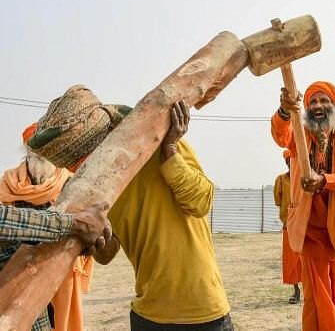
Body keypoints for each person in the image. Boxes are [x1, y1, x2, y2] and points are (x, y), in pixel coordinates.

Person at [28, 85, 232, 331]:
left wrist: (171, 154)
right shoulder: (93, 185)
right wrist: (91, 236)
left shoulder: (161, 141)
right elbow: (107, 253)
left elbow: (201, 202)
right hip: (147, 314)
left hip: (201, 311)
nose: (82, 164)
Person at [272, 81, 335, 330]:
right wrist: (284, 111)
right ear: (305, 108)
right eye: (313, 101)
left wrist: (325, 180)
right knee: (318, 294)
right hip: (310, 228)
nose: (318, 106)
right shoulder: (299, 133)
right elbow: (281, 136)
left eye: (324, 101)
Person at [0, 123, 96, 331]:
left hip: (61, 267)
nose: (39, 158)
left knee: (58, 320)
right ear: (27, 151)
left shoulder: (69, 182)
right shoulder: (8, 183)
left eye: (45, 153)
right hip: (18, 270)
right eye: (34, 153)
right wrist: (71, 224)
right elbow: (7, 222)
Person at [0, 197, 110, 331]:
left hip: (31, 297)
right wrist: (75, 223)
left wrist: (70, 245)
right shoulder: (8, 187)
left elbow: (8, 242)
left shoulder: (58, 181)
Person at [274, 149, 302, 304]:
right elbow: (279, 201)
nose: (291, 164)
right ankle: (296, 290)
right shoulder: (281, 180)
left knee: (307, 258)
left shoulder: (305, 178)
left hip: (306, 224)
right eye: (288, 161)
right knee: (291, 259)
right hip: (289, 225)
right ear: (286, 163)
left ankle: (312, 290)